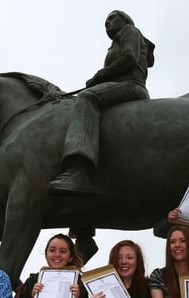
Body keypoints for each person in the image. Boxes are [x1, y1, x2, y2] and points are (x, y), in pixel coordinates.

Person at [48, 10, 155, 196]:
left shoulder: (130, 30)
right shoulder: (118, 40)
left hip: (131, 86)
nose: (107, 23)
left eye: (112, 18)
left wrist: (99, 76)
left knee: (87, 98)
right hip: (121, 86)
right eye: (105, 21)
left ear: (125, 20)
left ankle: (79, 170)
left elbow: (129, 58)